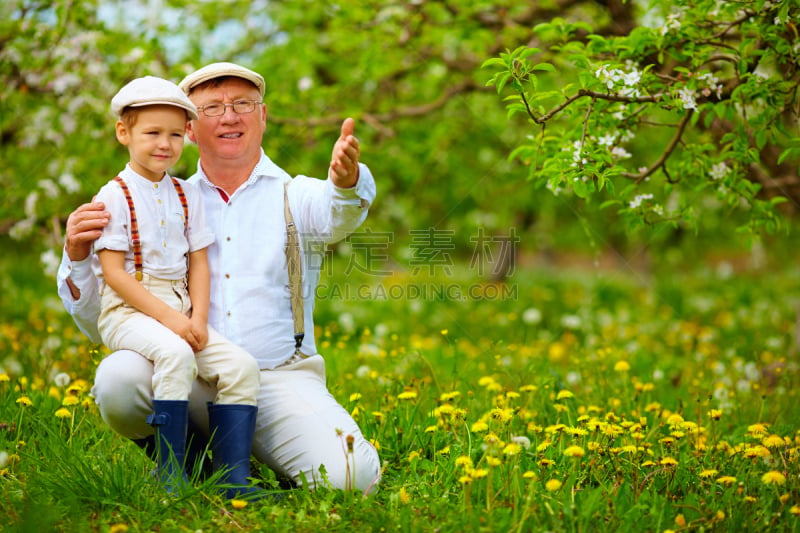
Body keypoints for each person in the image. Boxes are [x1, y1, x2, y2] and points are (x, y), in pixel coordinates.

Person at [57, 62, 381, 493]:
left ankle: (248, 456)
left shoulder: (296, 195)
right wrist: (78, 256)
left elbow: (337, 212)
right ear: (190, 129)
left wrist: (346, 181)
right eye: (212, 108)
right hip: (188, 376)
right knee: (118, 379)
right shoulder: (164, 202)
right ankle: (195, 469)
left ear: (262, 116)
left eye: (243, 104)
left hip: (277, 381)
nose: (230, 116)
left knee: (352, 476)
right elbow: (104, 317)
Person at [92, 75, 262, 498]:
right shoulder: (115, 195)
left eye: (174, 134)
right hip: (129, 311)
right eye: (151, 133)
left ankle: (232, 479)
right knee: (175, 353)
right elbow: (114, 274)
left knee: (241, 366)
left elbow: (199, 261)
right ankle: (171, 474)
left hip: (181, 308)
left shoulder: (186, 195)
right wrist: (171, 321)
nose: (164, 144)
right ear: (124, 133)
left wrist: (197, 317)